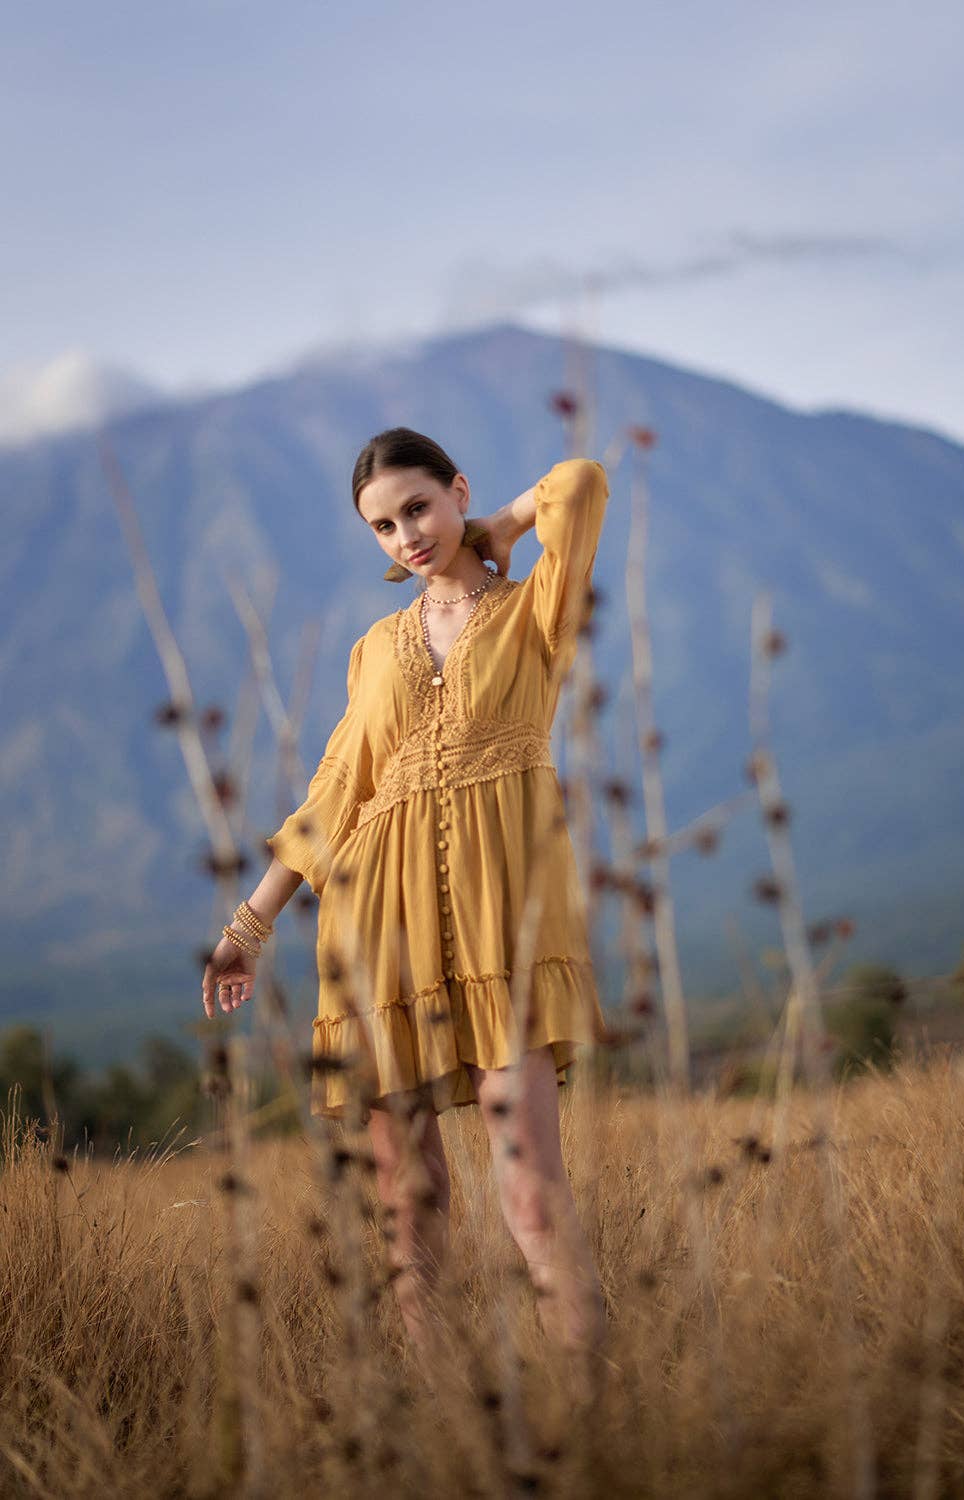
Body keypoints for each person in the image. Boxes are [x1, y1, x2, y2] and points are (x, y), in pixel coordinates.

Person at [201, 428, 610, 1366]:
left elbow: (581, 482)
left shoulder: (536, 611)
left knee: (532, 1193)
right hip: (376, 927)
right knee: (408, 1198)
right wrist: (249, 925)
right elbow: (336, 791)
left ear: (458, 490)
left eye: (418, 508)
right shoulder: (375, 649)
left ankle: (594, 1411)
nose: (406, 537)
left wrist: (503, 524)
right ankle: (439, 1415)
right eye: (383, 527)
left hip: (505, 925)